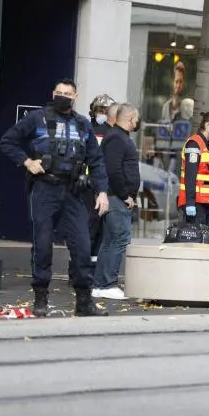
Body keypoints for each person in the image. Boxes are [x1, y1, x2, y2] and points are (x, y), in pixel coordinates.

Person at [0, 78, 109, 318]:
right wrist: (27, 162)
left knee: (82, 246)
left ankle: (84, 302)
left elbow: (96, 161)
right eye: (59, 92)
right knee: (42, 244)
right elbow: (8, 141)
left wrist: (102, 192)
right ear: (52, 93)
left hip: (73, 191)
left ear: (75, 97)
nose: (63, 96)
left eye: (67, 93)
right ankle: (40, 299)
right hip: (45, 188)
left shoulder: (82, 124)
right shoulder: (36, 118)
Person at [93, 103, 141, 301]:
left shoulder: (118, 137)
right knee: (119, 239)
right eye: (136, 118)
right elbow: (113, 170)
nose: (137, 122)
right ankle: (107, 284)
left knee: (110, 240)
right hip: (116, 198)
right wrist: (125, 195)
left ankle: (100, 284)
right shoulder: (117, 138)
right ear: (130, 119)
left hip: (115, 197)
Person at [69, 94, 116, 286]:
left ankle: (87, 273)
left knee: (99, 234)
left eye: (105, 111)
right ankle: (79, 272)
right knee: (88, 231)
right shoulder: (88, 130)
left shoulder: (106, 132)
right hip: (88, 188)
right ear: (93, 111)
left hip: (103, 188)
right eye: (99, 110)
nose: (102, 114)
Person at [178, 110, 209, 236]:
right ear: (208, 125)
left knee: (208, 238)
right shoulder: (194, 144)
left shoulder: (208, 146)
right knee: (196, 239)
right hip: (195, 202)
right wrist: (190, 203)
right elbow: (190, 175)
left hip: (206, 202)